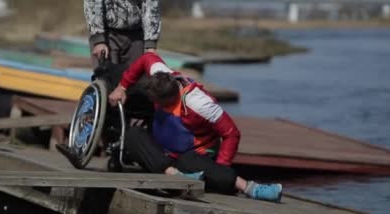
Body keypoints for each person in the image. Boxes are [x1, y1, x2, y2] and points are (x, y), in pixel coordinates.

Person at [108, 52, 283, 202]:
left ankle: (251, 189)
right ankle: (173, 174)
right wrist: (122, 87)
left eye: (157, 102)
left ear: (169, 99)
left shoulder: (200, 104)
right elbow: (147, 58)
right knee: (132, 135)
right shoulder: (161, 74)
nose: (154, 104)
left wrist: (220, 167)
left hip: (193, 156)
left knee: (193, 163)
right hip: (163, 153)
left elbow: (231, 134)